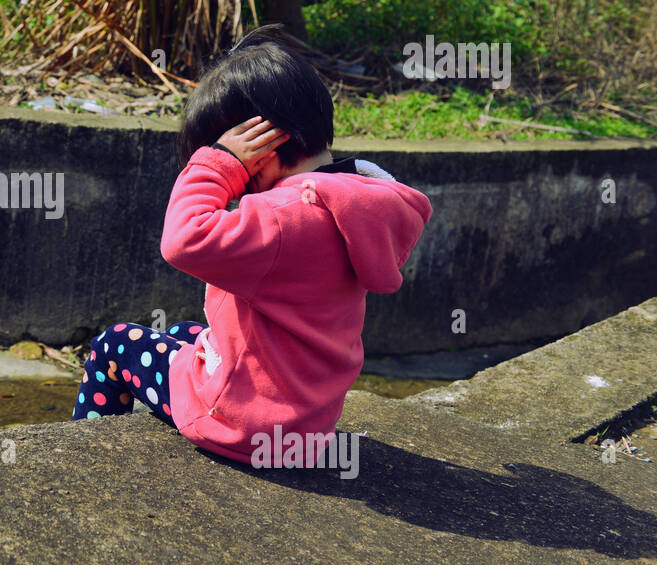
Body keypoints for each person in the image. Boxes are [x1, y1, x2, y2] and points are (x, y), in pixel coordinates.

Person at [72, 25, 433, 466]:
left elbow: (183, 241)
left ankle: (81, 458)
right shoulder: (353, 202)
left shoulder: (283, 215)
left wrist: (217, 165)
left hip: (245, 427)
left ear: (257, 143)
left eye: (231, 148)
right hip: (305, 429)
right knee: (185, 334)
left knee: (115, 344)